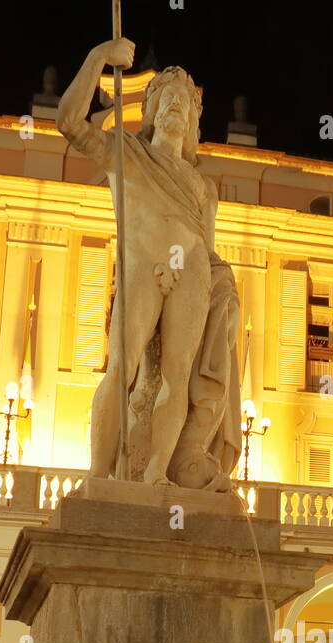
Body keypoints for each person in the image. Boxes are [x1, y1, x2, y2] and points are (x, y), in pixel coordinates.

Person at [57, 39, 241, 489]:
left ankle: (159, 471)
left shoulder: (203, 188)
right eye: (166, 99)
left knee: (177, 377)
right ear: (152, 109)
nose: (176, 106)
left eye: (185, 102)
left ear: (195, 120)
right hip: (143, 264)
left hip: (191, 273)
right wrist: (99, 56)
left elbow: (208, 248)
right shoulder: (127, 152)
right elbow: (68, 122)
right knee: (121, 368)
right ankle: (99, 477)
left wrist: (225, 288)